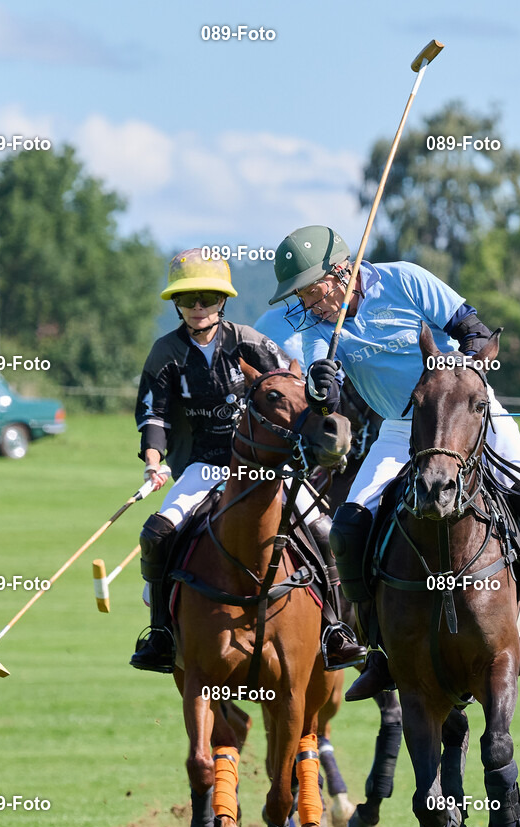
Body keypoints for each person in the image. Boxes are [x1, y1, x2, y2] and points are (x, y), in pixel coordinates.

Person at [268, 225, 520, 698]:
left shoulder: (405, 280)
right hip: (401, 428)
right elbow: (327, 389)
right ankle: (378, 650)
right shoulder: (321, 327)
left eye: (311, 289)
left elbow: (473, 330)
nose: (308, 302)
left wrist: (452, 379)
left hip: (463, 413)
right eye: (299, 295)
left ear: (342, 270)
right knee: (346, 529)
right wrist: (322, 383)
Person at [131, 247, 365, 673]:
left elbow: (292, 389)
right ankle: (162, 634)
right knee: (157, 534)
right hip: (202, 466)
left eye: (207, 298)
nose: (198, 308)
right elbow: (153, 413)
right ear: (176, 304)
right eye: (187, 300)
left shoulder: (251, 342)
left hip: (267, 466)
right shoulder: (166, 353)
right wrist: (152, 457)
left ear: (223, 301)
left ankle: (334, 628)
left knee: (324, 531)